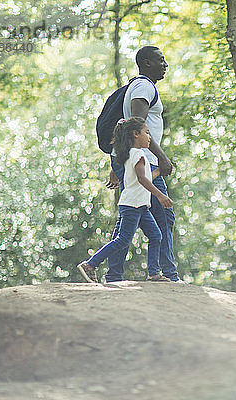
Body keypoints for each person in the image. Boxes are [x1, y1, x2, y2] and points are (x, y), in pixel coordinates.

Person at [105, 45, 184, 283]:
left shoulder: (139, 86)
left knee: (129, 219)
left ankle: (113, 274)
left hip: (136, 160)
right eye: (160, 60)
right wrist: (162, 157)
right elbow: (135, 124)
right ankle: (166, 274)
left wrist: (119, 163)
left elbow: (128, 127)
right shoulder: (143, 87)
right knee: (163, 216)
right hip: (146, 162)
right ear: (147, 63)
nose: (165, 64)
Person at [78, 117, 174, 283]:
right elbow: (143, 180)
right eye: (147, 133)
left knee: (156, 236)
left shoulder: (132, 154)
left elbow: (143, 178)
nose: (149, 137)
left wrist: (158, 171)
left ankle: (154, 273)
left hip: (140, 206)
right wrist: (160, 195)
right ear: (135, 134)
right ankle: (90, 264)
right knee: (123, 239)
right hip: (132, 206)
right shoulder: (138, 154)